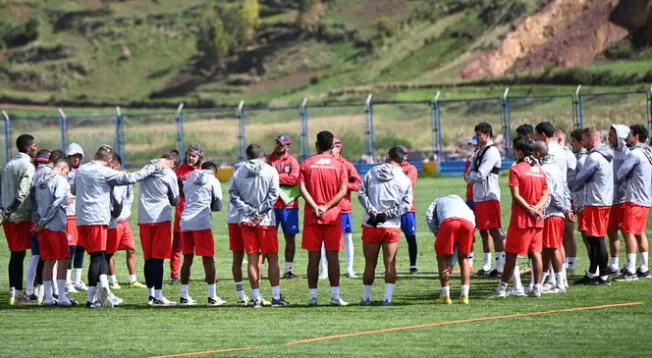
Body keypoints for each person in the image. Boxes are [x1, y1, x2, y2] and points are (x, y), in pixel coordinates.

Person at [74, 145, 165, 309]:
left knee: (100, 256)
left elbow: (74, 190)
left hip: (81, 219)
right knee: (97, 258)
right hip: (97, 218)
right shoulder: (104, 171)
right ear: (108, 160)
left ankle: (104, 294)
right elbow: (132, 178)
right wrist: (152, 167)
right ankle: (91, 299)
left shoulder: (81, 170)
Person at [230, 144, 289, 308]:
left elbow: (234, 195)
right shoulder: (270, 170)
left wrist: (249, 212)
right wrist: (260, 213)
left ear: (247, 156)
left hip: (246, 221)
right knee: (273, 259)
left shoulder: (239, 171)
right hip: (266, 221)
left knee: (252, 260)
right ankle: (276, 297)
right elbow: (273, 194)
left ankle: (256, 298)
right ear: (262, 155)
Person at [489, 137, 548, 298]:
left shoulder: (516, 170)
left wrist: (529, 209)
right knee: (536, 253)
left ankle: (502, 289)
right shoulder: (539, 170)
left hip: (521, 220)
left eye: (514, 150)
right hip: (538, 219)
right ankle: (537, 288)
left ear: (520, 152)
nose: (512, 153)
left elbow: (515, 195)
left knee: (511, 255)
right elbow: (546, 193)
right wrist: (536, 208)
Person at [358, 147, 412, 306]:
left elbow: (361, 194)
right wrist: (386, 215)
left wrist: (372, 211)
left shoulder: (372, 172)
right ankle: (387, 299)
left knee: (369, 264)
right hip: (391, 225)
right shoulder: (404, 178)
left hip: (371, 224)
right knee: (390, 264)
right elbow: (406, 206)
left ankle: (366, 299)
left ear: (388, 157)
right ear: (403, 161)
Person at [300, 131, 348, 306]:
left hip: (312, 216)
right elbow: (343, 191)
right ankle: (335, 297)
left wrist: (315, 206)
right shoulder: (339, 165)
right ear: (332, 146)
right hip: (332, 216)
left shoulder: (307, 163)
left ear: (316, 145)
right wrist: (326, 207)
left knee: (313, 258)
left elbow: (302, 188)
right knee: (333, 256)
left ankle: (313, 297)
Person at [571, 128, 614, 286]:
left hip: (595, 202)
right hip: (604, 200)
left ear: (591, 138)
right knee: (594, 238)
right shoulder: (608, 153)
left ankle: (603, 276)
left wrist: (572, 175)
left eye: (584, 140)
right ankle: (592, 273)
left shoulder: (594, 156)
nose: (583, 143)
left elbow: (580, 178)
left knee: (597, 239)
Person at [178, 161, 225, 306]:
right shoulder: (213, 180)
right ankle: (212, 296)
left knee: (187, 259)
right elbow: (218, 206)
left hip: (185, 221)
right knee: (208, 258)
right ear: (214, 172)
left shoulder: (190, 178)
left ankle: (184, 295)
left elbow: (183, 194)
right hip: (202, 223)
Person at [139, 150, 180, 306]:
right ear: (172, 163)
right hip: (160, 219)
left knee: (148, 259)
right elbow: (175, 199)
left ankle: (150, 295)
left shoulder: (146, 168)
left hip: (144, 218)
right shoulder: (169, 174)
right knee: (158, 259)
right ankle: (158, 296)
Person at [34, 157, 77, 306]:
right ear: (64, 168)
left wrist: (38, 222)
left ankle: (48, 297)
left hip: (42, 227)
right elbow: (57, 201)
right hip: (54, 225)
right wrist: (44, 221)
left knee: (48, 260)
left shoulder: (39, 177)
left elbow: (34, 200)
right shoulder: (61, 181)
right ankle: (62, 296)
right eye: (67, 172)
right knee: (63, 259)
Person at [465, 122, 505, 277]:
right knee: (483, 230)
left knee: (495, 230)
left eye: (479, 135)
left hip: (490, 195)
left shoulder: (492, 152)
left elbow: (480, 174)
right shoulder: (479, 151)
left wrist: (470, 177)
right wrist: (471, 176)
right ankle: (487, 265)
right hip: (479, 197)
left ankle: (500, 266)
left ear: (487, 135)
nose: (477, 138)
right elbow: (471, 172)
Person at [1, 134, 37, 305]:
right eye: (34, 146)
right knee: (26, 254)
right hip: (20, 216)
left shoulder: (8, 165)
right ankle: (24, 293)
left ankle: (13, 292)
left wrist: (4, 211)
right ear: (28, 148)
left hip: (8, 218)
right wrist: (10, 210)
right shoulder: (28, 165)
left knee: (16, 254)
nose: (35, 149)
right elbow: (22, 193)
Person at [535, 122, 571, 288]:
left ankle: (557, 282)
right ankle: (556, 279)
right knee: (555, 245)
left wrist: (562, 207)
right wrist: (566, 206)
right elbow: (564, 182)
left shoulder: (547, 168)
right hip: (559, 206)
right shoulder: (560, 155)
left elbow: (551, 191)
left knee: (553, 246)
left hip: (552, 210)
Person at [614, 124, 652, 281]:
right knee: (639, 232)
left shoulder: (635, 153)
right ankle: (644, 267)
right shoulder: (648, 151)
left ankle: (630, 270)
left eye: (629, 134)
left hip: (635, 199)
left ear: (636, 136)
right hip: (645, 198)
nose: (626, 138)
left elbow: (620, 173)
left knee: (629, 232)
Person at [106, 153, 146, 289]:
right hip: (113, 222)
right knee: (110, 252)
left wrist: (126, 210)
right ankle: (113, 281)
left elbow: (130, 196)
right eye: (109, 164)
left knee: (131, 249)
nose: (111, 167)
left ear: (118, 164)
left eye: (113, 164)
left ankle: (133, 280)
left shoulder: (124, 177)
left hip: (125, 221)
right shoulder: (106, 177)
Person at [426, 195, 475, 304]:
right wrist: (451, 265)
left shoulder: (436, 201)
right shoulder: (464, 205)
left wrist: (436, 232)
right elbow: (472, 220)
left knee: (441, 257)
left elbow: (429, 215)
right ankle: (464, 296)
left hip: (449, 223)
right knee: (464, 260)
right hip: (469, 224)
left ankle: (446, 296)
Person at [267, 135, 301, 279]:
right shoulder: (268, 159)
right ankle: (267, 269)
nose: (278, 146)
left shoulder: (293, 161)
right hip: (271, 205)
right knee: (268, 237)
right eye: (277, 143)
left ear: (287, 146)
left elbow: (294, 179)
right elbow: (264, 178)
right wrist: (282, 178)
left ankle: (288, 270)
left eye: (281, 144)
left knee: (290, 238)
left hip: (289, 205)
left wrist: (275, 176)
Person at [171, 144, 203, 285]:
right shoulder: (179, 171)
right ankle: (175, 275)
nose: (191, 158)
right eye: (189, 155)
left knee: (202, 246)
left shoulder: (203, 171)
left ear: (199, 157)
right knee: (178, 246)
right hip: (181, 213)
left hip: (199, 214)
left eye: (194, 156)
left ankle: (209, 274)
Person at [330, 138, 362, 278]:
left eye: (333, 147)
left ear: (339, 148)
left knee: (347, 238)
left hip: (344, 209)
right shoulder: (324, 164)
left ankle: (349, 268)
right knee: (326, 240)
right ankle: (324, 270)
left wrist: (344, 185)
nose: (330, 149)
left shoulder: (347, 165)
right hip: (327, 208)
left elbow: (358, 185)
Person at [25, 149, 50, 302]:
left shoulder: (33, 176)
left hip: (34, 220)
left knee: (35, 256)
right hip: (43, 221)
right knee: (44, 257)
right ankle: (40, 291)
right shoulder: (45, 176)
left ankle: (30, 289)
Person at [553, 128, 579, 276]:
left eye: (561, 140)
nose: (559, 143)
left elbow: (574, 172)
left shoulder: (567, 154)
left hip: (568, 197)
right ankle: (560, 265)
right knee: (558, 234)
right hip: (557, 197)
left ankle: (570, 265)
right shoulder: (552, 153)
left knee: (568, 233)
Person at [606, 124, 630, 274]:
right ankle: (614, 263)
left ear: (620, 137)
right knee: (611, 231)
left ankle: (630, 263)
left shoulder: (628, 153)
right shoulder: (610, 153)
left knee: (627, 233)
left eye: (612, 135)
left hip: (623, 200)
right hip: (610, 200)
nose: (609, 138)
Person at [65, 143, 88, 293]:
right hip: (69, 214)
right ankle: (67, 281)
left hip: (82, 214)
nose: (76, 159)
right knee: (70, 249)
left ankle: (78, 279)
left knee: (81, 247)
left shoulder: (84, 171)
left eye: (78, 156)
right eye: (73, 156)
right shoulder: (64, 172)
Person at [226, 162, 249, 305]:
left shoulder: (237, 181)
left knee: (241, 257)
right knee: (249, 257)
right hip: (241, 220)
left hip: (237, 220)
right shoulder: (241, 182)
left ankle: (246, 294)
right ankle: (245, 293)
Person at [567, 129, 589, 272]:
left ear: (581, 142)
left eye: (573, 141)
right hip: (577, 200)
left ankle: (596, 267)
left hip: (584, 202)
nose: (571, 144)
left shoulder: (583, 159)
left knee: (589, 237)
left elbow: (580, 181)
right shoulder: (576, 157)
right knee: (583, 236)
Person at [399, 146, 419, 274]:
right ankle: (389, 266)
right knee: (389, 239)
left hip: (407, 208)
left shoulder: (410, 168)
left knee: (410, 237)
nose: (402, 156)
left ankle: (412, 265)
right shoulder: (388, 168)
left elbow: (409, 182)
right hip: (390, 208)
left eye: (404, 154)